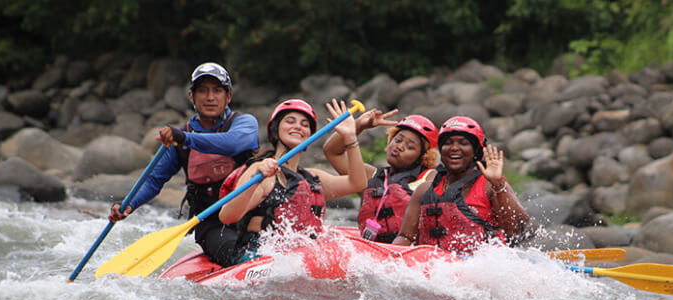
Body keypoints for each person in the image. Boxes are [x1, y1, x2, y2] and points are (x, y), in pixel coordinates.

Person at [108, 62, 259, 266]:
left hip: (252, 216)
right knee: (240, 256)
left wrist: (185, 137)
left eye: (217, 91)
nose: (210, 97)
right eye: (203, 91)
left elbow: (232, 144)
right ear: (192, 97)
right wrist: (128, 204)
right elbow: (153, 181)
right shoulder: (179, 140)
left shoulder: (244, 123)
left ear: (228, 96)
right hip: (212, 224)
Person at [218, 99, 367, 264]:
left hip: (300, 256)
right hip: (260, 254)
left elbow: (358, 183)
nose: (298, 127)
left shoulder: (313, 178)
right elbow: (227, 216)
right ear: (276, 129)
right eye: (290, 121)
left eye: (305, 125)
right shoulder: (261, 171)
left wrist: (350, 138)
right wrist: (255, 180)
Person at [393, 116, 529, 254]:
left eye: (463, 143)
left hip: (477, 267)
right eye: (448, 143)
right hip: (435, 266)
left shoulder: (490, 185)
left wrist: (498, 184)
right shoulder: (424, 190)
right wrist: (391, 257)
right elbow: (405, 237)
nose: (454, 148)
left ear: (476, 151)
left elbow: (518, 229)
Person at [323, 110, 439, 242]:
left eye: (410, 147)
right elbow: (332, 152)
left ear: (424, 157)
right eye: (397, 140)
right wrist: (359, 125)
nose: (399, 147)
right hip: (372, 252)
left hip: (408, 254)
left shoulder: (430, 178)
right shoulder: (369, 176)